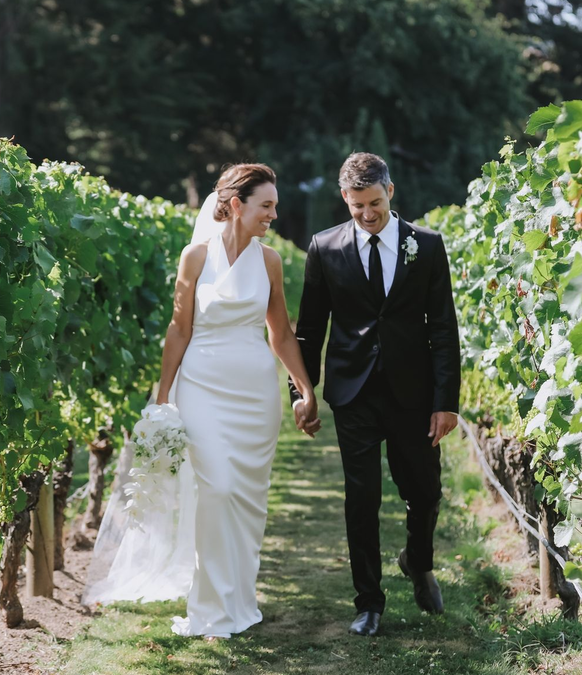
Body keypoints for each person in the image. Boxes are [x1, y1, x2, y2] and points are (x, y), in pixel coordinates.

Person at [82, 163, 318, 640]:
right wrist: (164, 396)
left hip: (255, 395)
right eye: (266, 206)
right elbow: (179, 329)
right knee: (218, 491)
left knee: (247, 503)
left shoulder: (269, 261)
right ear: (236, 205)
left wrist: (305, 389)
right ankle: (209, 610)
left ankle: (239, 601)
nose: (273, 214)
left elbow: (280, 332)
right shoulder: (195, 257)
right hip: (202, 389)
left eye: (274, 206)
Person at [290, 152, 461, 637]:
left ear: (391, 191)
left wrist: (445, 400)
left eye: (375, 203)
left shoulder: (426, 245)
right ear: (344, 198)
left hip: (414, 393)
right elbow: (309, 330)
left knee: (424, 493)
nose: (368, 214)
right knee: (361, 499)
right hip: (354, 393)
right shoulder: (324, 248)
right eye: (358, 205)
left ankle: (418, 561)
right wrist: (302, 391)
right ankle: (369, 602)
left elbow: (443, 327)